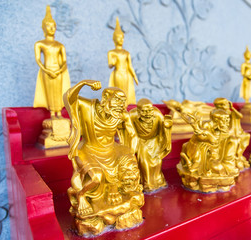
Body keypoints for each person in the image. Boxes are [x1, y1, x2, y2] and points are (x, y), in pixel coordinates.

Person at [64, 80, 144, 235]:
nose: (121, 105)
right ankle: (81, 197)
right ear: (106, 99)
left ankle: (118, 194)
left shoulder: (121, 115)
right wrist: (84, 83)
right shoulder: (88, 107)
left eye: (123, 102)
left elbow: (132, 134)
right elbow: (69, 97)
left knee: (129, 166)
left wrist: (129, 152)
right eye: (117, 101)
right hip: (88, 149)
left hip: (111, 149)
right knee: (97, 177)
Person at [33, 5, 70, 118]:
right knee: (49, 92)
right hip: (47, 70)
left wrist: (59, 71)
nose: (52, 28)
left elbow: (64, 61)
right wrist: (47, 70)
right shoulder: (40, 44)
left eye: (53, 26)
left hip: (58, 71)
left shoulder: (60, 45)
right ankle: (52, 114)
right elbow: (38, 59)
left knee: (58, 92)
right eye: (49, 26)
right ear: (44, 28)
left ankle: (59, 112)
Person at [129, 98, 173, 192]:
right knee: (144, 162)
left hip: (155, 140)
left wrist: (167, 127)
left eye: (150, 110)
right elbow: (129, 131)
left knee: (157, 162)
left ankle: (158, 181)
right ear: (138, 111)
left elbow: (163, 127)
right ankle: (147, 183)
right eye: (144, 111)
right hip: (141, 140)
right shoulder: (132, 115)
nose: (148, 114)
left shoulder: (157, 114)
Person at [108, 18, 139, 105]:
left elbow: (130, 66)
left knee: (125, 92)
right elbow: (110, 65)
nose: (121, 40)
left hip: (125, 74)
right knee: (118, 92)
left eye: (122, 38)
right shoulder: (111, 52)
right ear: (114, 39)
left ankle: (125, 106)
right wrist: (113, 62)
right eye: (119, 38)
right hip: (117, 73)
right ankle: (118, 106)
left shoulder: (126, 53)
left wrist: (135, 76)